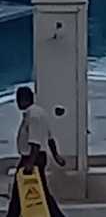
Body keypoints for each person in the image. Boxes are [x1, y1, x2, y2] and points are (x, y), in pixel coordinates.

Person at [7, 89, 65, 217]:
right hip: (36, 157)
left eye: (18, 99)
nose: (17, 102)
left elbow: (35, 143)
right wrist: (56, 156)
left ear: (25, 99)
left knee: (23, 189)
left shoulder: (33, 116)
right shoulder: (40, 113)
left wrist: (30, 163)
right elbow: (50, 138)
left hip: (32, 158)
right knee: (39, 190)